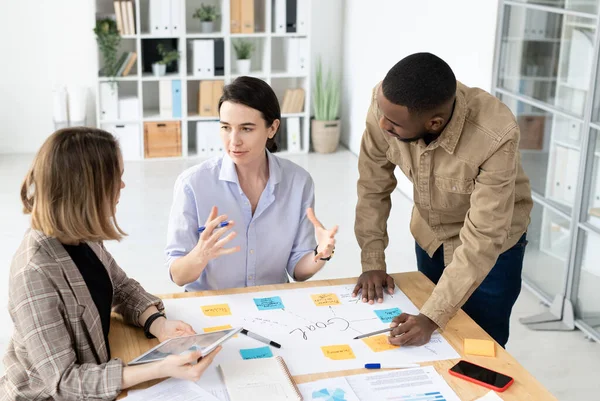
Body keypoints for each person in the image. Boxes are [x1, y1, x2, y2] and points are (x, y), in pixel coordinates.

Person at [1, 128, 220, 400]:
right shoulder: (34, 274)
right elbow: (65, 383)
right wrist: (159, 368)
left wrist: (158, 325)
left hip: (100, 363)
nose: (123, 186)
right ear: (87, 190)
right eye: (117, 177)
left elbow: (121, 287)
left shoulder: (82, 234)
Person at [353, 53, 533, 348]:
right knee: (432, 345)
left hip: (493, 251)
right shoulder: (387, 106)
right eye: (380, 113)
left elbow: (484, 235)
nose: (382, 124)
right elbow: (372, 186)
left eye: (394, 124)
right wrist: (373, 260)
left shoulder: (496, 134)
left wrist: (432, 317)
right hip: (432, 236)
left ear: (434, 123)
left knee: (480, 345)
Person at [166, 76, 338, 291]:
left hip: (271, 303)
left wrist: (320, 254)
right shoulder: (192, 184)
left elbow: (297, 270)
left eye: (246, 129)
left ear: (272, 128)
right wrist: (200, 255)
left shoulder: (298, 182)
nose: (234, 140)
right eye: (226, 127)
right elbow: (178, 275)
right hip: (215, 306)